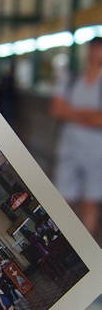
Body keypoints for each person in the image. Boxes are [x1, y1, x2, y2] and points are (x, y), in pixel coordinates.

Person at [51, 37, 102, 236]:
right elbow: (56, 109)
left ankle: (85, 242)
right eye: (93, 49)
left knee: (90, 200)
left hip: (96, 151)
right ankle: (64, 238)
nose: (95, 54)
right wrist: (89, 115)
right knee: (63, 197)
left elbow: (100, 120)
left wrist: (71, 112)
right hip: (69, 148)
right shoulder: (71, 79)